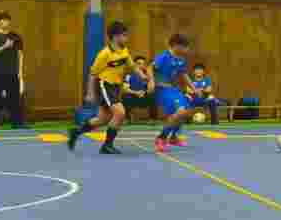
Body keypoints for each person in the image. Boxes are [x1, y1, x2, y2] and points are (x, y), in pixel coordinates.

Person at [68, 22, 133, 155]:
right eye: (124, 35)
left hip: (116, 87)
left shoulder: (124, 50)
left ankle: (76, 131)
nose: (126, 38)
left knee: (102, 119)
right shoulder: (104, 54)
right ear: (115, 37)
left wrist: (143, 76)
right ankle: (107, 146)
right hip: (105, 85)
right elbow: (92, 74)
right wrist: (90, 93)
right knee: (120, 113)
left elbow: (131, 65)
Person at [149, 35, 193, 153]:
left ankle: (173, 137)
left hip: (174, 89)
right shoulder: (164, 56)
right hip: (162, 89)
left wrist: (194, 88)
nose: (187, 50)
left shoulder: (180, 59)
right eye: (185, 47)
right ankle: (161, 137)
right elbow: (150, 68)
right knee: (180, 111)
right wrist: (151, 81)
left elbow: (183, 74)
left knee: (184, 112)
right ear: (176, 46)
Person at [0, 11, 27, 129]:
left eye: (7, 20)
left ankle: (17, 123)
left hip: (12, 72)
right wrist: (4, 46)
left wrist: (20, 71)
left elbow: (20, 54)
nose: (6, 22)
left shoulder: (16, 36)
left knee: (14, 98)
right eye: (3, 20)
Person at [123, 55, 157, 121]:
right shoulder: (128, 75)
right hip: (133, 96)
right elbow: (125, 89)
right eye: (139, 63)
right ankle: (127, 118)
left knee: (153, 96)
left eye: (143, 64)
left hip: (144, 95)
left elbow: (151, 88)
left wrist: (145, 92)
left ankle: (153, 119)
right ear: (134, 65)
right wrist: (136, 92)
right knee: (125, 96)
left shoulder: (148, 75)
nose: (141, 66)